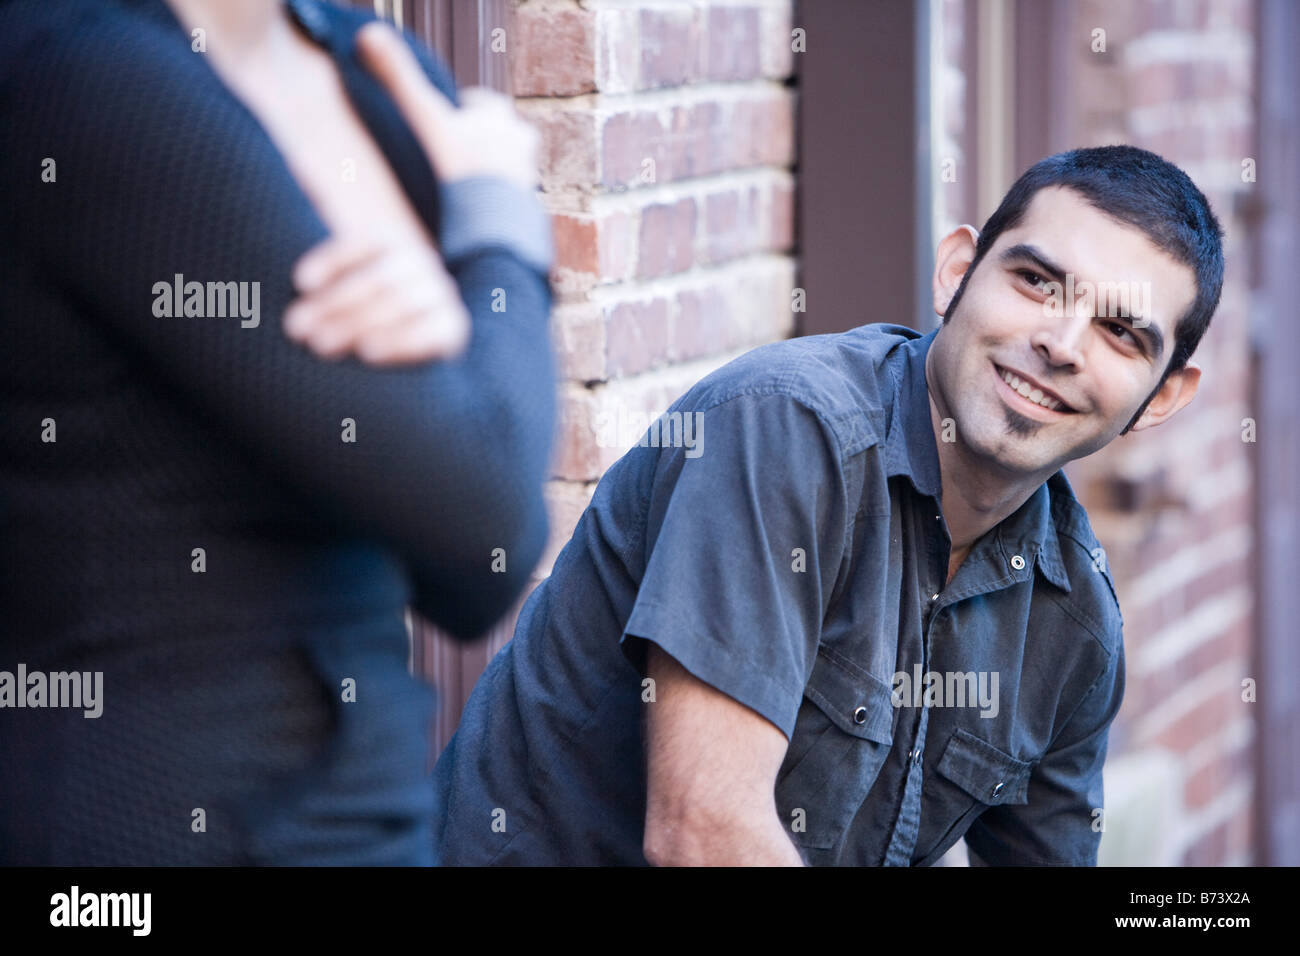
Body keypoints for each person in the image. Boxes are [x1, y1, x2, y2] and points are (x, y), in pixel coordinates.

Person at [432, 145, 1223, 866]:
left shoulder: (1075, 620)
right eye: (1036, 282)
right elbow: (704, 835)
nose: (1061, 343)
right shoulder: (786, 430)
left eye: (1121, 333)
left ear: (1163, 396)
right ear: (956, 271)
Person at [0, 0, 554, 864]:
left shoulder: (372, 69)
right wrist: (502, 234)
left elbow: (469, 577)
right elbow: (492, 510)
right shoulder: (88, 75)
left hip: (363, 821)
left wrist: (460, 329)